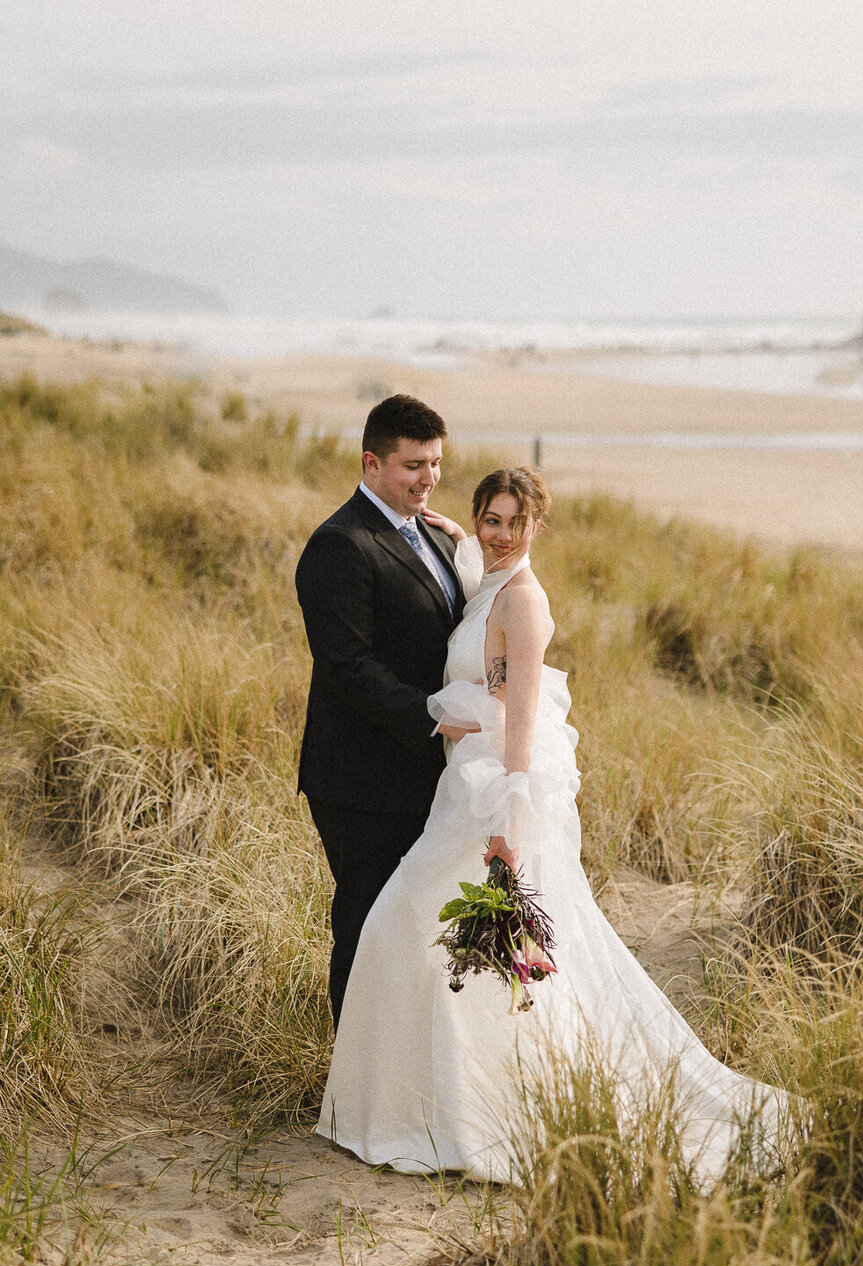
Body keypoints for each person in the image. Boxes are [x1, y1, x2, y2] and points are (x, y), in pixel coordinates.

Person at [316, 467, 790, 1183]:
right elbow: (479, 590)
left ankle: (487, 1111)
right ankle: (439, 1106)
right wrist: (454, 537)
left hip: (490, 801)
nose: (498, 533)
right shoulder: (489, 580)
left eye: (513, 521)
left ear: (539, 525)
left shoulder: (526, 603)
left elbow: (523, 721)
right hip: (459, 790)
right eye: (488, 518)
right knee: (437, 949)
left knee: (428, 938)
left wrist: (508, 822)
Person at [295, 395, 463, 1028]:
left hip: (419, 772)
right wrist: (433, 717)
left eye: (437, 463)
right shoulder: (339, 545)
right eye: (414, 465)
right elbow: (346, 667)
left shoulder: (430, 534)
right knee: (367, 924)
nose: (429, 478)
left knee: (413, 928)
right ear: (372, 462)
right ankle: (351, 1086)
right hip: (360, 779)